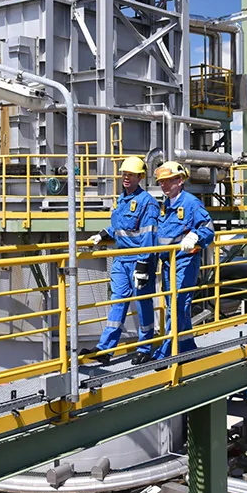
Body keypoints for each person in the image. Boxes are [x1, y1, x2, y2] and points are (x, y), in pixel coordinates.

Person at [82, 156, 159, 365]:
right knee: (118, 302)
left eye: (131, 175)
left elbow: (149, 236)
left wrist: (143, 264)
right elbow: (120, 227)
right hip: (121, 259)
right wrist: (103, 234)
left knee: (143, 303)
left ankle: (145, 347)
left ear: (140, 177)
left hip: (139, 260)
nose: (126, 178)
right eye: (125, 174)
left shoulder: (147, 203)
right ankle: (105, 348)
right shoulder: (122, 199)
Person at [151, 161, 215, 360]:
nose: (164, 185)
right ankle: (187, 346)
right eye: (161, 182)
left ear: (180, 181)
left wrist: (195, 236)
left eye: (168, 181)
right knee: (175, 304)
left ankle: (166, 352)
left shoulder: (190, 203)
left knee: (178, 305)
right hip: (167, 263)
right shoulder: (165, 205)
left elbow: (208, 229)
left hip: (185, 262)